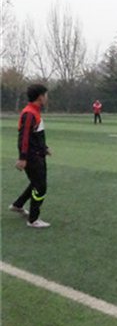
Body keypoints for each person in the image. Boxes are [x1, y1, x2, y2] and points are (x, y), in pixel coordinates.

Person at [9, 84, 51, 228]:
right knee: (40, 186)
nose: (47, 98)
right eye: (45, 95)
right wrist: (22, 158)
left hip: (38, 154)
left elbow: (35, 135)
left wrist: (44, 148)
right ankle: (33, 219)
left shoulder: (35, 112)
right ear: (40, 97)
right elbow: (24, 137)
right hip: (33, 157)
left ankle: (18, 205)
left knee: (35, 183)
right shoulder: (29, 113)